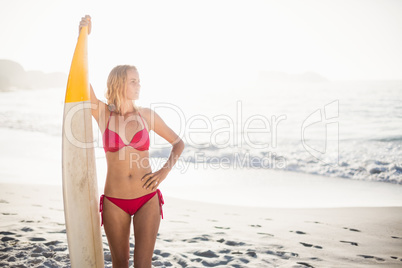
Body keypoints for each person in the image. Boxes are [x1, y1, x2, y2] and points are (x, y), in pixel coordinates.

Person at [79, 15, 185, 268]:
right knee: (119, 264)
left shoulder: (147, 115)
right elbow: (82, 81)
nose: (139, 85)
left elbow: (178, 143)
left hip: (147, 197)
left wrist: (164, 171)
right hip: (114, 200)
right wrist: (83, 36)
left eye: (139, 80)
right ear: (119, 84)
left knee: (143, 265)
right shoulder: (103, 113)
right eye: (134, 81)